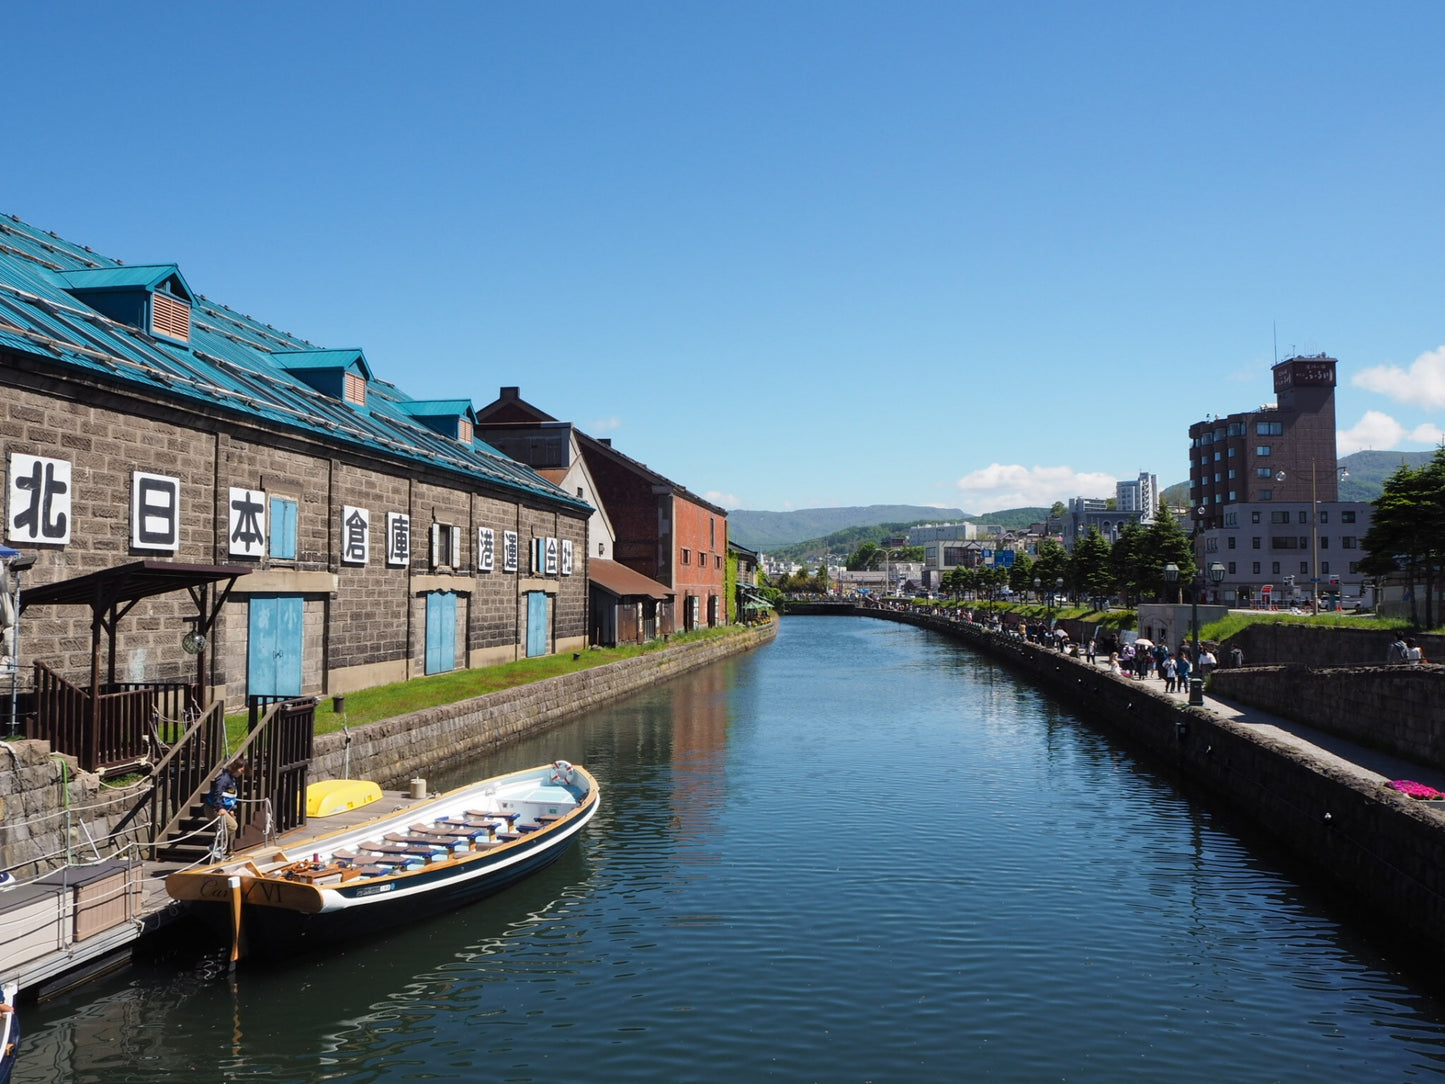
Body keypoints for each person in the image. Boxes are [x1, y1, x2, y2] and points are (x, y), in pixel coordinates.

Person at [205, 759, 246, 852]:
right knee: (232, 826)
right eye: (241, 770)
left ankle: (224, 851)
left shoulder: (233, 779)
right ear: (236, 768)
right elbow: (217, 793)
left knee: (223, 828)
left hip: (224, 808)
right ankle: (215, 845)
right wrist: (220, 808)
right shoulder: (224, 779)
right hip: (213, 808)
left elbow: (230, 795)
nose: (242, 773)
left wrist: (230, 809)